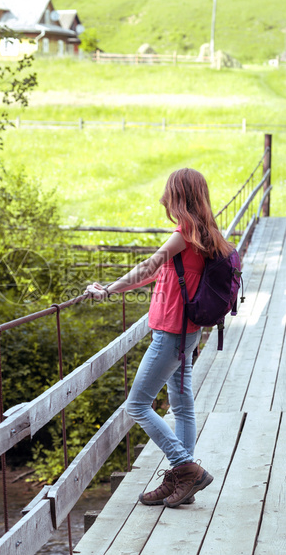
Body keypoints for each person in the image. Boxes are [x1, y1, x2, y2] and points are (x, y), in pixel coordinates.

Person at [85, 168, 234, 508]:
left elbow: (149, 266)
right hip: (188, 333)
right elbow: (155, 273)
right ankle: (183, 479)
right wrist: (116, 289)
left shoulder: (184, 233)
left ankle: (185, 468)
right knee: (181, 405)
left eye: (168, 192)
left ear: (179, 196)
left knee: (137, 404)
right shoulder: (207, 233)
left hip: (170, 334)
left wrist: (108, 290)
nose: (163, 198)